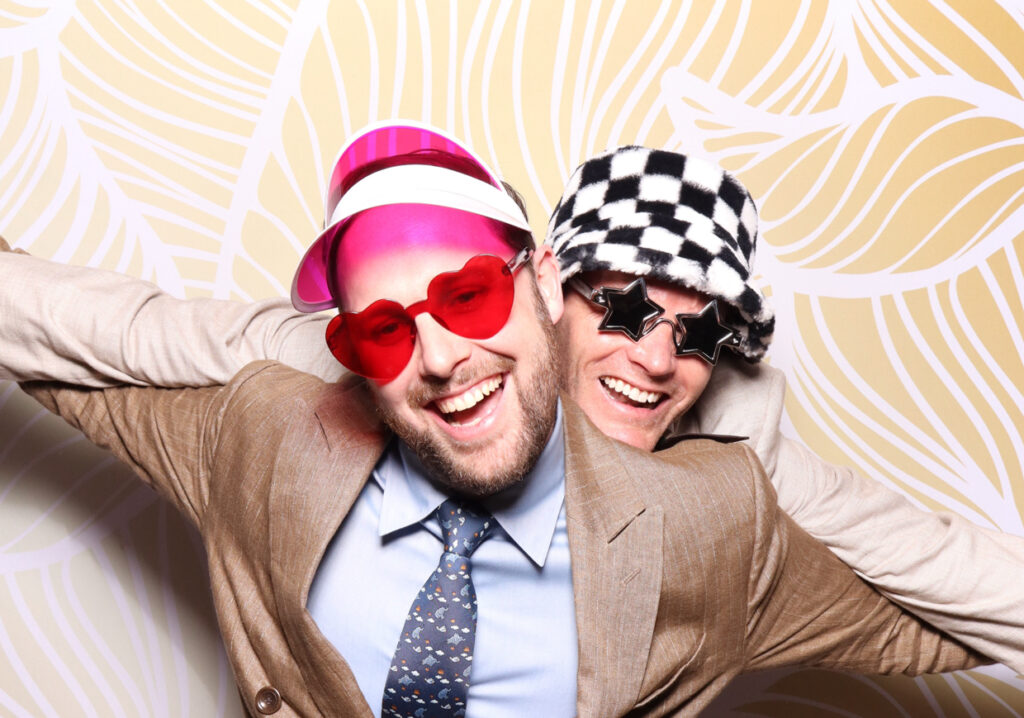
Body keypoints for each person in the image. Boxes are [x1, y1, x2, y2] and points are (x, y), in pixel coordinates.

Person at [0, 123, 995, 716]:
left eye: (697, 336)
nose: (654, 356)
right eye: (622, 311)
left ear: (534, 280)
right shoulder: (277, 414)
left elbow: (934, 598)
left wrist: (756, 453)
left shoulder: (718, 513)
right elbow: (96, 346)